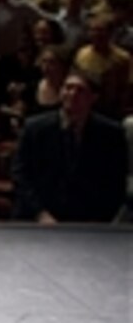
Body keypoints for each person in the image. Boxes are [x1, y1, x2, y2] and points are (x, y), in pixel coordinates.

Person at [11, 70, 127, 223]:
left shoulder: (111, 134)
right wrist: (40, 213)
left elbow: (115, 183)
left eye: (80, 90)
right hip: (37, 218)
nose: (72, 94)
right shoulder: (35, 128)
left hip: (88, 223)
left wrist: (94, 220)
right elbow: (21, 174)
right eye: (68, 88)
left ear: (93, 97)